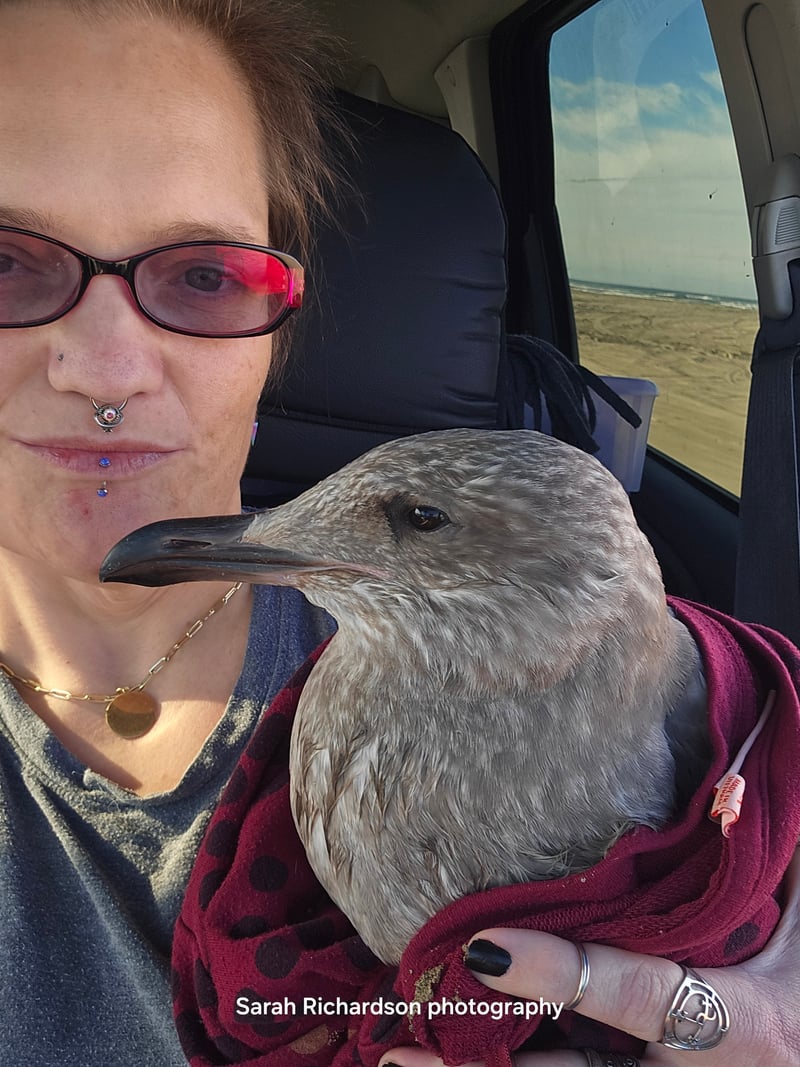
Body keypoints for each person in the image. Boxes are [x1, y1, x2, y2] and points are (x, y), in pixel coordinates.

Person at [0, 2, 796, 1066]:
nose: (101, 368)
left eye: (205, 275)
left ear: (283, 326)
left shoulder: (721, 737)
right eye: (3, 264)